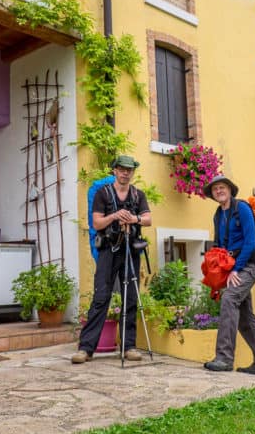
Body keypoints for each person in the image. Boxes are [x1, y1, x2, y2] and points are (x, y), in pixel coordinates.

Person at [72, 155, 152, 364]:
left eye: (129, 169)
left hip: (130, 250)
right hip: (109, 249)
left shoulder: (137, 195)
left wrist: (133, 219)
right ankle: (86, 349)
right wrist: (115, 216)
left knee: (131, 298)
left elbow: (148, 219)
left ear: (132, 172)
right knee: (101, 297)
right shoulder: (103, 194)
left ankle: (129, 347)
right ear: (114, 171)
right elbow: (97, 223)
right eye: (122, 169)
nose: (125, 172)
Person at [202, 175, 255, 376]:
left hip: (247, 265)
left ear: (230, 190)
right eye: (215, 189)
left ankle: (224, 358)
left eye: (222, 187)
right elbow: (219, 246)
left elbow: (250, 243)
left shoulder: (242, 209)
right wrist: (215, 273)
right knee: (245, 317)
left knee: (230, 299)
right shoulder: (218, 214)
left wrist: (235, 270)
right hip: (231, 267)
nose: (219, 191)